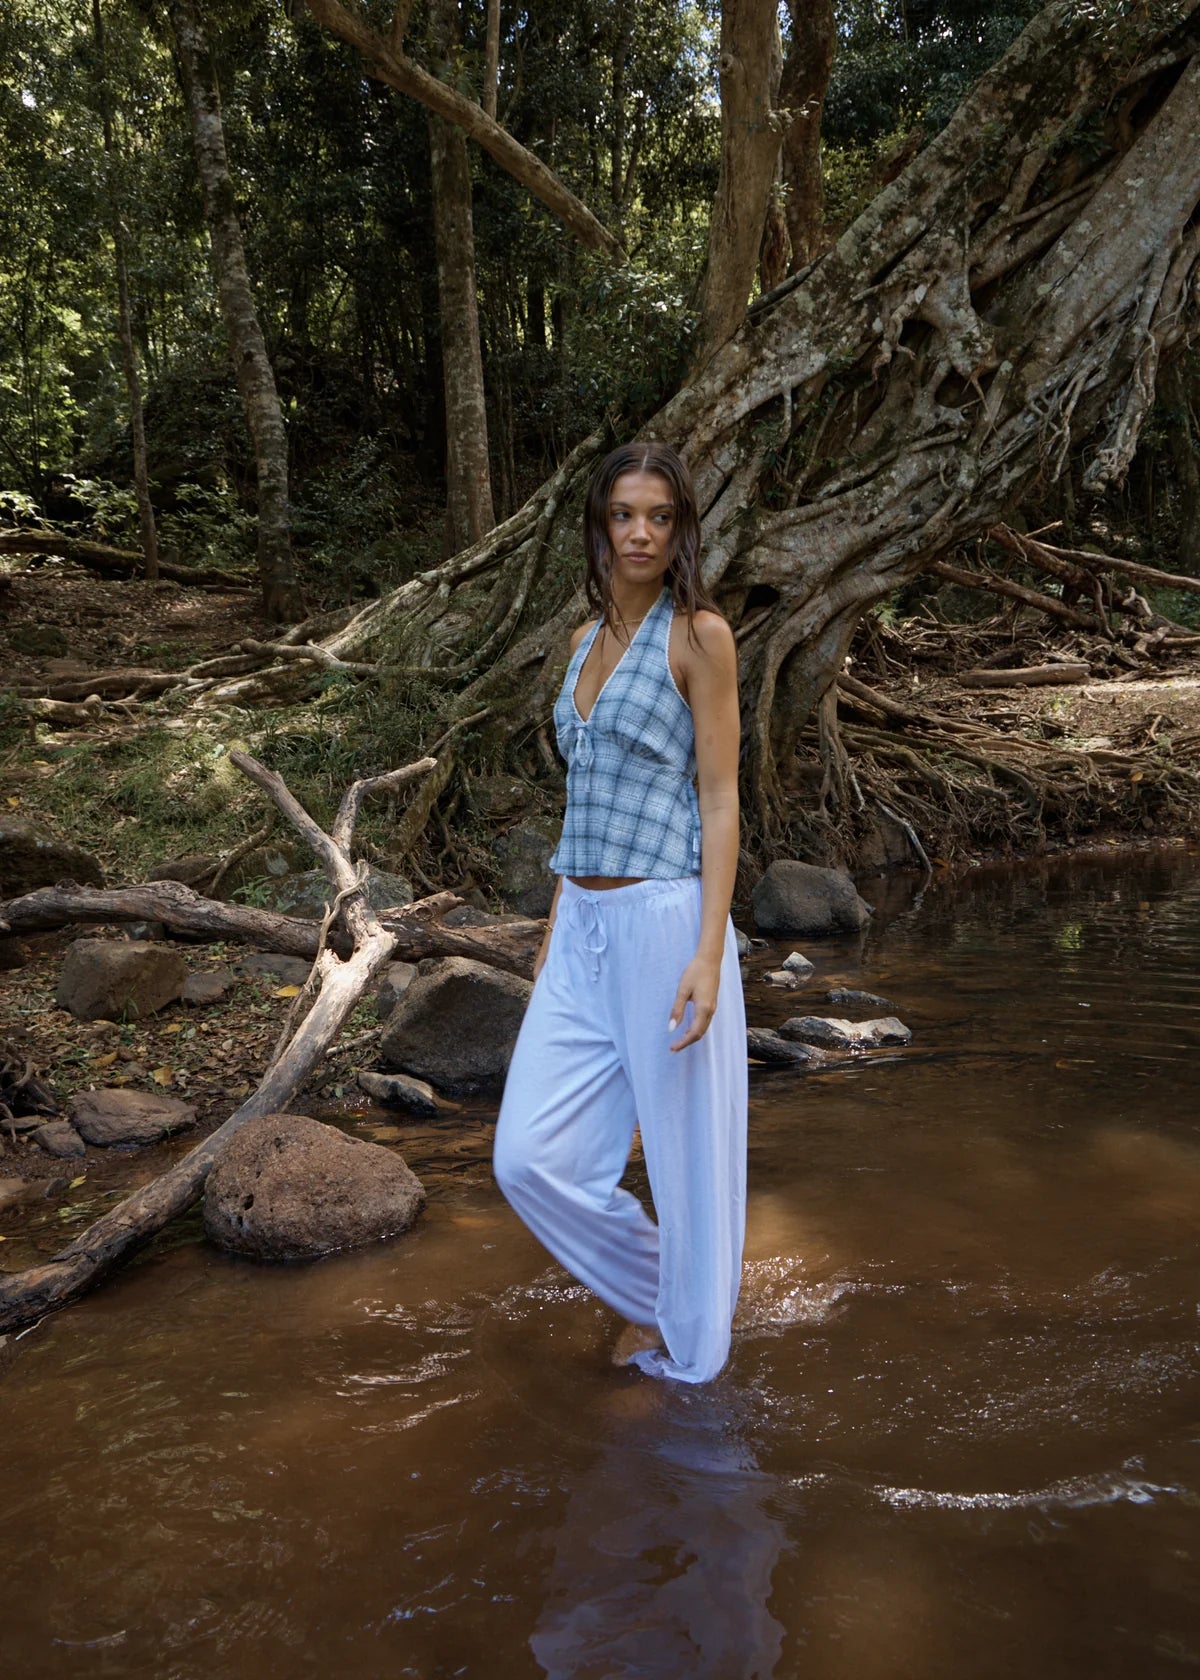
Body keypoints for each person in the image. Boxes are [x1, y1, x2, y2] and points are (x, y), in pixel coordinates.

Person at [492, 440, 747, 1385]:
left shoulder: (699, 636)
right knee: (528, 1158)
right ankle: (664, 1297)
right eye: (623, 515)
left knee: (686, 1164)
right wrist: (556, 938)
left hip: (666, 919)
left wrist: (710, 954)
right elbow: (578, 801)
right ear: (600, 527)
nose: (640, 533)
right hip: (582, 928)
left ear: (680, 529)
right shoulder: (577, 643)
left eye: (660, 516)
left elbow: (720, 800)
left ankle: (694, 1359)